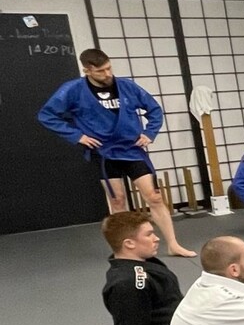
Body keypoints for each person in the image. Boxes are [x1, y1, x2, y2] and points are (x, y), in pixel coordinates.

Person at [37, 48, 195, 257]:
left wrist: (149, 133)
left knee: (154, 197)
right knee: (117, 200)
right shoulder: (72, 90)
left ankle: (173, 244)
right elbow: (47, 115)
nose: (107, 74)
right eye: (101, 71)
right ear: (87, 70)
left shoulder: (126, 86)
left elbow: (154, 109)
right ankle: (125, 250)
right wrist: (77, 136)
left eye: (109, 68)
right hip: (103, 152)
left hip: (132, 149)